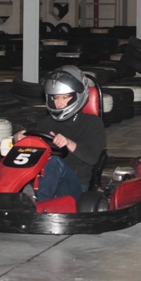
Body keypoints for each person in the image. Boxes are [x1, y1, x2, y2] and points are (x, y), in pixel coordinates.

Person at [13, 65, 106, 201]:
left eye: (64, 97)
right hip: (43, 181)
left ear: (77, 96)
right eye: (56, 98)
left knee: (55, 162)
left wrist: (68, 143)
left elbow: (92, 158)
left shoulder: (93, 123)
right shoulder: (47, 122)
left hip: (75, 187)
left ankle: (38, 203)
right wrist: (19, 140)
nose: (59, 104)